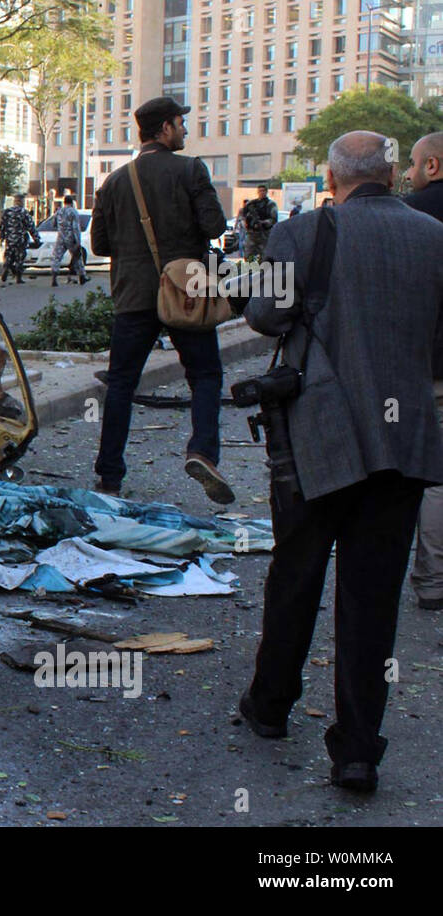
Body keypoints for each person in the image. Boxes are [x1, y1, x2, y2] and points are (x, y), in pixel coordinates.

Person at [240, 131, 443, 793]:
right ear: (394, 175)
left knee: (296, 572)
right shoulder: (433, 236)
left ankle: (271, 706)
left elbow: (266, 317)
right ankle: (357, 751)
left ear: (332, 177)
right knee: (372, 598)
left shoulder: (299, 234)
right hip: (404, 440)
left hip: (318, 436)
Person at [89, 96, 230, 503]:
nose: (185, 130)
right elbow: (215, 225)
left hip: (133, 297)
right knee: (204, 375)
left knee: (120, 384)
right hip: (186, 294)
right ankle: (202, 451)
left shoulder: (114, 181)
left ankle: (109, 476)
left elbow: (99, 244)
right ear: (165, 129)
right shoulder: (190, 170)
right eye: (181, 124)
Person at [403, 131, 443, 609]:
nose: (408, 174)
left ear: (432, 166)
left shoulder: (413, 215)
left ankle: (432, 580)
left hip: (424, 363)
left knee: (430, 476)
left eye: (413, 164)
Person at [0, 193, 39, 285]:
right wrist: (36, 238)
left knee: (9, 255)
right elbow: (31, 227)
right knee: (20, 257)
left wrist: (1, 237)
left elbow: (2, 225)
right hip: (21, 239)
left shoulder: (7, 212)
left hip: (10, 238)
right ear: (22, 201)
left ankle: (6, 268)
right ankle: (18, 278)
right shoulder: (24, 212)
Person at [50, 195, 87, 286]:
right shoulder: (73, 212)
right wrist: (78, 241)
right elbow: (76, 227)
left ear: (64, 202)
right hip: (71, 237)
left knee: (57, 257)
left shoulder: (59, 211)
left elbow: (53, 224)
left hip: (61, 236)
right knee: (77, 256)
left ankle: (54, 278)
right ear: (72, 202)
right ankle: (82, 277)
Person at [241, 184, 278, 259]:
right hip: (252, 233)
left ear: (266, 192)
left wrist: (263, 222)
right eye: (260, 191)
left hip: (264, 233)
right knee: (248, 254)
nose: (261, 192)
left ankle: (264, 269)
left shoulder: (270, 204)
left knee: (265, 254)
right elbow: (243, 214)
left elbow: (273, 219)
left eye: (263, 191)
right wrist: (246, 223)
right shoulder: (252, 203)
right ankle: (251, 270)